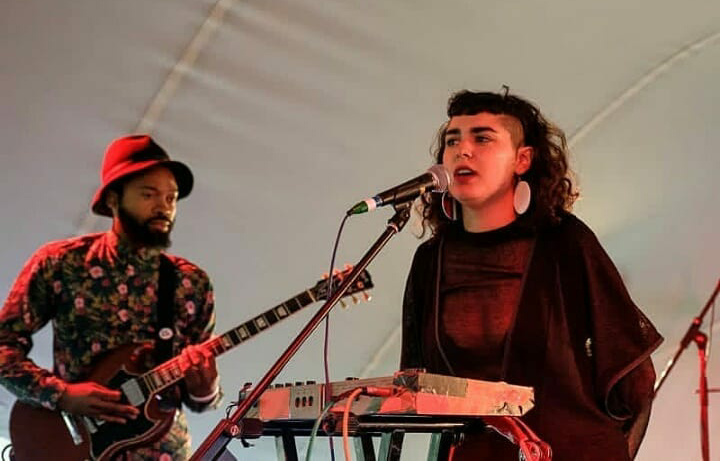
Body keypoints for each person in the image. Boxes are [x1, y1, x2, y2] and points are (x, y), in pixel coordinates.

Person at [400, 89, 663, 460]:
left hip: (569, 451)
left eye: (482, 138)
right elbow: (414, 387)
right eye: (452, 140)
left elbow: (633, 375)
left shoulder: (566, 242)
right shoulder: (430, 260)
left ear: (522, 160)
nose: (463, 150)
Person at [0, 135, 221, 460]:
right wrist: (61, 394)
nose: (164, 207)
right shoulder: (62, 262)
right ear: (113, 199)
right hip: (77, 449)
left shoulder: (191, 282)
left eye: (171, 198)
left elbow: (200, 398)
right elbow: (3, 346)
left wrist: (205, 389)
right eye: (149, 194)